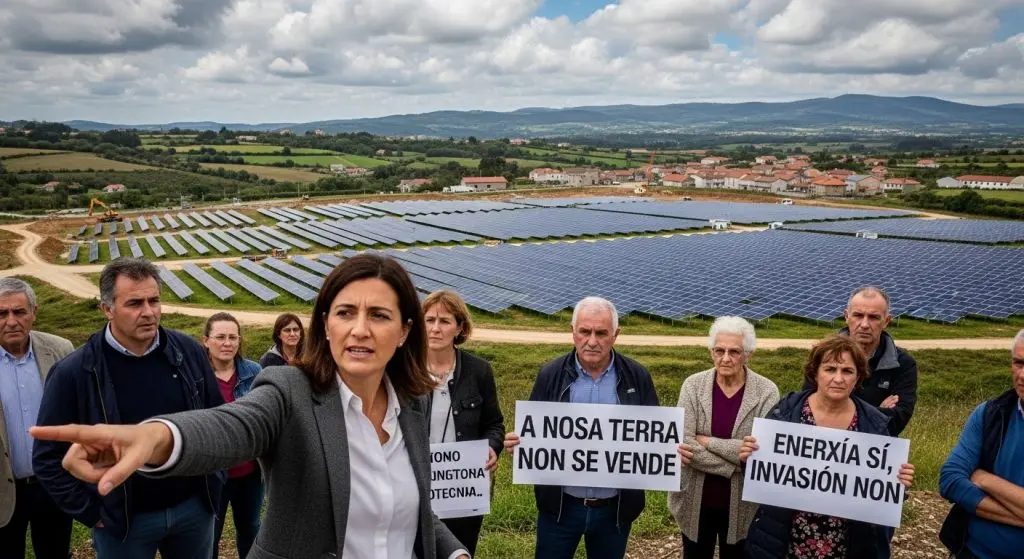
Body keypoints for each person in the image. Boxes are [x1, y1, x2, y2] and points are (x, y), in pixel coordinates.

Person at [31, 254, 470, 559]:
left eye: (378, 315)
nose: (359, 330)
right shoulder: (289, 390)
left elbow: (409, 509)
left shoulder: (412, 404)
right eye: (344, 313)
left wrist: (454, 552)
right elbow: (230, 426)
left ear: (404, 329)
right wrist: (156, 438)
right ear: (325, 324)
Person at [32, 258, 225, 559]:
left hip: (193, 509)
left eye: (154, 300)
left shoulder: (187, 351)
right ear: (107, 309)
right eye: (134, 303)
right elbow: (46, 458)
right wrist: (93, 512)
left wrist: (212, 484)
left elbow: (216, 417)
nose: (148, 312)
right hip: (124, 523)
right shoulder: (75, 371)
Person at [504, 296, 687, 559]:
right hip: (560, 508)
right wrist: (521, 445)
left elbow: (653, 437)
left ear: (616, 335)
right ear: (573, 332)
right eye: (585, 332)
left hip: (614, 511)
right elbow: (535, 431)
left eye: (601, 333)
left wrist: (670, 454)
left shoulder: (638, 376)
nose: (592, 341)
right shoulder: (550, 374)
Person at [742, 334, 915, 559]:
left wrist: (899, 481)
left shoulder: (875, 424)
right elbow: (761, 475)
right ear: (815, 372)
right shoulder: (784, 411)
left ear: (858, 377)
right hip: (785, 539)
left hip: (847, 542)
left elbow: (881, 490)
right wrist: (748, 458)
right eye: (830, 369)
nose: (838, 378)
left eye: (847, 371)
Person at [667, 316, 779, 559]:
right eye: (719, 350)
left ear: (748, 354)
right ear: (711, 352)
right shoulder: (693, 386)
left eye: (734, 352)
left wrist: (707, 441)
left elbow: (759, 453)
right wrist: (735, 460)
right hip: (694, 499)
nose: (725, 358)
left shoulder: (767, 391)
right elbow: (686, 443)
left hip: (743, 504)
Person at [423, 289, 504, 556]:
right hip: (418, 487)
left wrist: (492, 447)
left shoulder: (478, 371)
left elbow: (494, 424)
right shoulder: (405, 370)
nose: (435, 328)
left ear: (459, 328)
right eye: (429, 320)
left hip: (463, 491)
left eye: (444, 321)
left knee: (461, 552)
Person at [0, 279, 74, 559]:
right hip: (4, 489)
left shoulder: (61, 350)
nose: (11, 321)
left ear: (34, 312)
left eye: (19, 312)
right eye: (1, 313)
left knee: (55, 552)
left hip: (54, 484)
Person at [938, 329, 1024, 559]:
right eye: (1018, 363)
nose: (1023, 375)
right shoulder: (991, 414)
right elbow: (950, 479)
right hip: (974, 552)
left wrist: (984, 478)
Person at [806, 286, 918, 436]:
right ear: (846, 316)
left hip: (871, 453)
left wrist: (833, 410)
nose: (864, 324)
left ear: (886, 321)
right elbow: (807, 411)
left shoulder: (903, 364)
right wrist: (877, 411)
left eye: (873, 317)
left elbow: (895, 422)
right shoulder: (823, 356)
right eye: (858, 315)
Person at [202, 312, 263, 559]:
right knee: (211, 533)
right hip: (212, 473)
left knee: (250, 528)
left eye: (232, 337)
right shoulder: (198, 374)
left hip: (249, 472)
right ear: (206, 340)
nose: (227, 343)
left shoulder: (254, 371)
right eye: (220, 337)